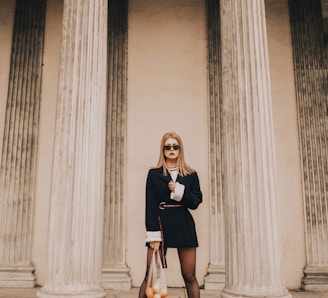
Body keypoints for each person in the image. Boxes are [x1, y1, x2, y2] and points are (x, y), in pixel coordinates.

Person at [138, 132, 202, 298]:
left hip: (183, 225)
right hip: (160, 225)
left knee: (189, 276)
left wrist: (180, 192)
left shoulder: (190, 174)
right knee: (150, 275)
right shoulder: (154, 174)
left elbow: (195, 202)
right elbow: (150, 206)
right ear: (163, 150)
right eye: (168, 147)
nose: (171, 149)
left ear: (180, 149)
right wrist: (153, 235)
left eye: (175, 146)